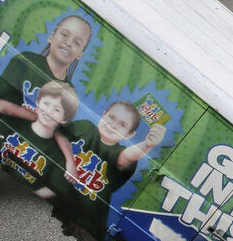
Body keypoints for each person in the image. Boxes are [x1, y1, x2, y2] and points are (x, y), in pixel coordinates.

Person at [52, 100, 168, 233]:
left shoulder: (118, 152)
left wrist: (147, 144)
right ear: (103, 114)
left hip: (84, 220)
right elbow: (60, 134)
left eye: (122, 125)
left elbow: (124, 158)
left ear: (129, 134)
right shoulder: (86, 127)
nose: (112, 125)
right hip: (53, 196)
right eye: (111, 117)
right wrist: (70, 162)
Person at [0, 14, 92, 122]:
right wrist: (41, 119)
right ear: (51, 36)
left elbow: (57, 130)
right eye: (64, 34)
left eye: (77, 43)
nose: (68, 43)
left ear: (79, 54)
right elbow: (3, 105)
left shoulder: (69, 93)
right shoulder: (26, 61)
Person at [0, 81, 80, 198]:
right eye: (46, 103)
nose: (48, 111)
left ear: (64, 120)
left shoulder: (58, 157)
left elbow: (55, 189)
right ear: (37, 103)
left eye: (56, 110)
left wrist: (29, 192)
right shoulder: (15, 124)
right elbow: (2, 107)